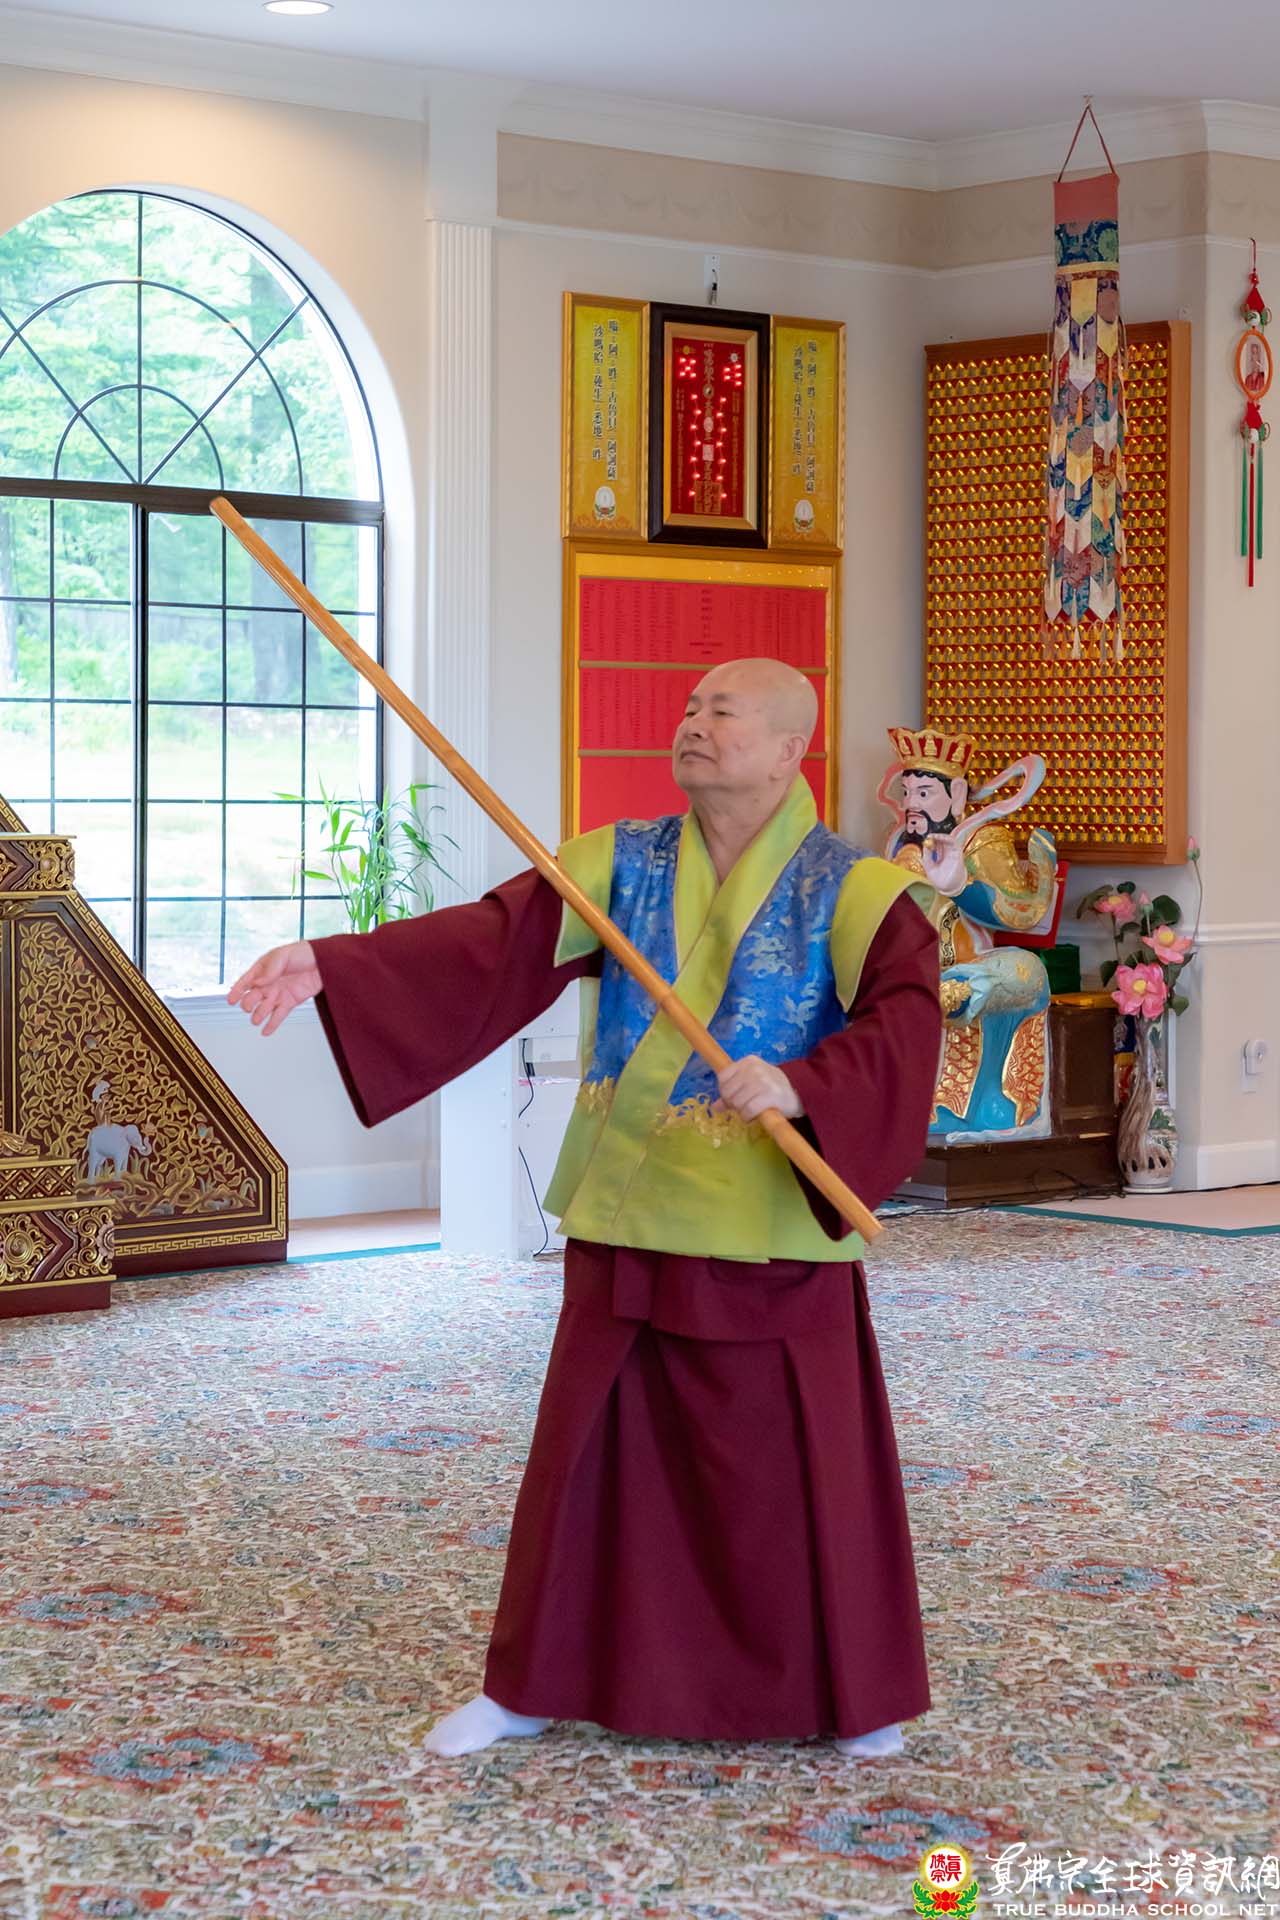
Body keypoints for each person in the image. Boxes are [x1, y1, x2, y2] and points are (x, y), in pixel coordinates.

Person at [228, 657, 942, 1762]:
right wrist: (330, 962)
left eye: (722, 711)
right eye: (690, 707)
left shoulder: (856, 891)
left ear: (788, 747)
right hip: (630, 1204)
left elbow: (906, 1019)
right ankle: (530, 1683)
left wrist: (807, 1084)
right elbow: (492, 940)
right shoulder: (620, 861)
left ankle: (854, 1692)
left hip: (763, 1220)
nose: (693, 723)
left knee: (794, 1465)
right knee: (589, 1459)